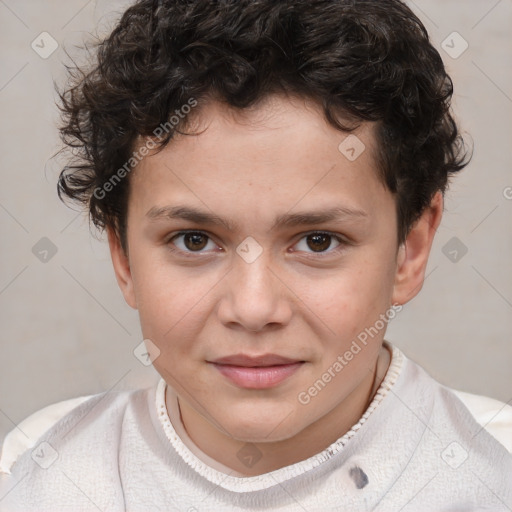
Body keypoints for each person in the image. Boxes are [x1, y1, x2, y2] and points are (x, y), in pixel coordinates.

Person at [1, 0, 511, 510]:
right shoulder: (40, 474)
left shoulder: (494, 472)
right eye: (194, 240)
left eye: (318, 241)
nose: (253, 309)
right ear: (124, 258)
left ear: (410, 251)